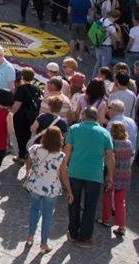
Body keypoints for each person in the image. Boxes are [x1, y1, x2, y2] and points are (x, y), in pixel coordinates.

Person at [62, 106, 115, 248]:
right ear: (96, 117)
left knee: (73, 202)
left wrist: (63, 167)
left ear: (84, 115)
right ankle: (84, 238)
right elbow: (110, 156)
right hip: (94, 175)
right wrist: (110, 176)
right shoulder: (104, 133)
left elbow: (67, 150)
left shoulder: (74, 129)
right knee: (90, 207)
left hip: (75, 172)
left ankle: (73, 233)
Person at [22, 126, 66, 254]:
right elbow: (63, 175)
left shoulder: (35, 149)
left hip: (35, 186)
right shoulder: (61, 156)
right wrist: (69, 189)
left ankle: (30, 236)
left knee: (34, 210)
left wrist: (28, 173)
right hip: (51, 189)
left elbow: (28, 163)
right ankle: (44, 244)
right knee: (47, 216)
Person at [99, 121, 132, 238]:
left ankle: (106, 219)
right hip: (125, 175)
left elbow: (107, 159)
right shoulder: (128, 143)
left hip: (113, 174)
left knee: (107, 196)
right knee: (120, 201)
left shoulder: (112, 143)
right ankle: (122, 226)